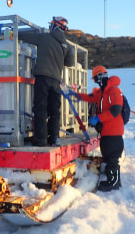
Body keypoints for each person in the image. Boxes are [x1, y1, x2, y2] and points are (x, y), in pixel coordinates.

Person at [71, 65, 124, 191]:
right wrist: (77, 95)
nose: (95, 82)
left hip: (114, 132)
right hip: (106, 131)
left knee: (112, 158)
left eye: (95, 79)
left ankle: (114, 183)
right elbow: (91, 98)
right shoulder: (102, 92)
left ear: (100, 77)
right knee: (108, 156)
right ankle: (113, 180)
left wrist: (98, 118)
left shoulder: (114, 91)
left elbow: (115, 111)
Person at [23, 17, 75, 146]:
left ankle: (41, 139)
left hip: (43, 77)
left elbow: (28, 37)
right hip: (56, 80)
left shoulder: (45, 37)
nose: (50, 27)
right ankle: (54, 138)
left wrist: (14, 33)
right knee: (54, 110)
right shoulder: (68, 46)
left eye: (51, 25)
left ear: (55, 27)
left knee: (40, 108)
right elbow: (69, 63)